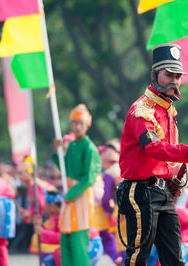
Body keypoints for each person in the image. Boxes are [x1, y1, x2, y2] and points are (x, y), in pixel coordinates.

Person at [116, 43, 188, 266]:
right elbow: (153, 149)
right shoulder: (143, 109)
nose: (175, 81)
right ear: (153, 74)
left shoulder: (168, 110)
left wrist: (176, 179)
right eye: (168, 74)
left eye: (178, 76)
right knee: (137, 259)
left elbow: (169, 155)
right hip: (141, 191)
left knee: (174, 259)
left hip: (163, 192)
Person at [53, 104, 102, 266]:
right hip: (69, 195)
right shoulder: (73, 145)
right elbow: (66, 170)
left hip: (79, 197)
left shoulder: (90, 148)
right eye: (74, 122)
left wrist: (70, 194)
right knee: (65, 241)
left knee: (78, 245)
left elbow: (89, 178)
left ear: (87, 125)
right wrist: (58, 151)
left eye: (81, 123)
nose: (77, 126)